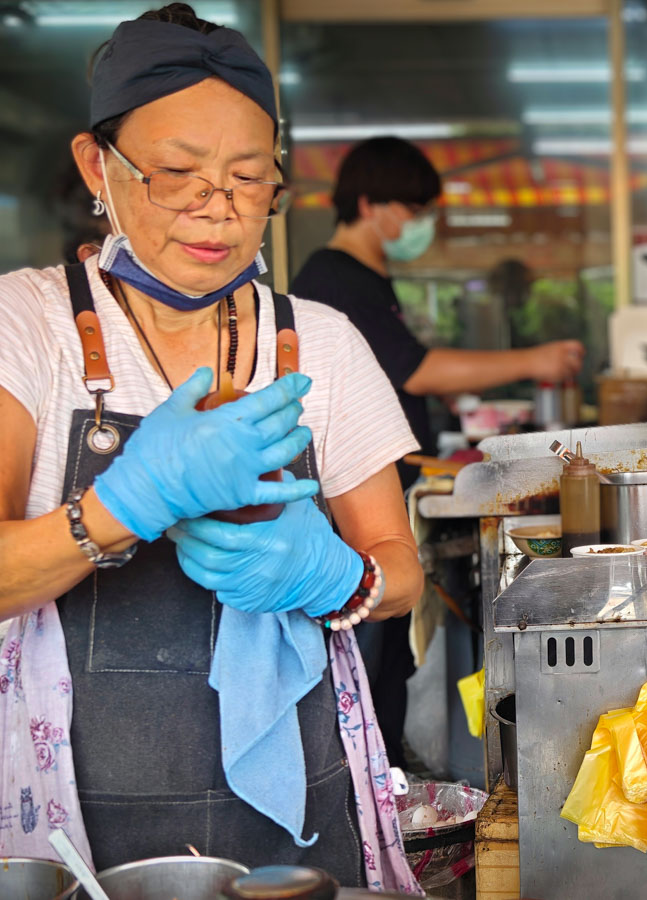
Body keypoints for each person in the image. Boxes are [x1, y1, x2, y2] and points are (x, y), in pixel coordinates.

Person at [0, 5, 422, 892]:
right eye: (176, 174)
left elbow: (401, 571)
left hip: (304, 812)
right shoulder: (24, 324)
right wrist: (122, 506)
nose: (216, 211)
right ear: (97, 167)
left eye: (247, 178)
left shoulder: (325, 340)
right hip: (79, 816)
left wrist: (339, 578)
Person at [291, 136, 584, 771]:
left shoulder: (364, 279)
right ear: (371, 204)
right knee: (368, 660)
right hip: (349, 511)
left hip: (382, 494)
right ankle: (368, 789)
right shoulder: (333, 281)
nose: (422, 224)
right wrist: (535, 360)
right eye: (415, 208)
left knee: (388, 654)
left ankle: (383, 783)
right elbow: (415, 371)